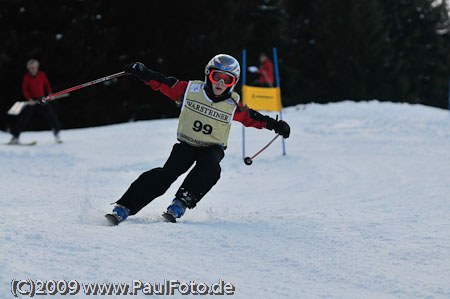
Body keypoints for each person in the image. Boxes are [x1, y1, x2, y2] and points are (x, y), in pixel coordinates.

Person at [106, 54, 290, 224]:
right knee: (166, 175)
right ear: (208, 75)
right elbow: (162, 83)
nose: (220, 83)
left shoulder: (233, 104)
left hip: (212, 148)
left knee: (211, 167)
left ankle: (181, 202)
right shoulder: (189, 90)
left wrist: (275, 125)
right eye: (216, 77)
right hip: (186, 144)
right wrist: (143, 73)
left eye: (227, 80)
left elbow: (252, 118)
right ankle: (124, 207)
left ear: (233, 83)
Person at [9, 59, 62, 144]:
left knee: (51, 116)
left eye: (34, 67)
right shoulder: (26, 77)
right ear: (28, 68)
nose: (32, 69)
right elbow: (25, 90)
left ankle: (57, 133)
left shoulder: (42, 75)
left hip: (42, 99)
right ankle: (15, 137)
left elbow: (47, 85)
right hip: (32, 101)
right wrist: (29, 99)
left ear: (37, 67)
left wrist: (50, 94)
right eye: (30, 68)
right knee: (23, 119)